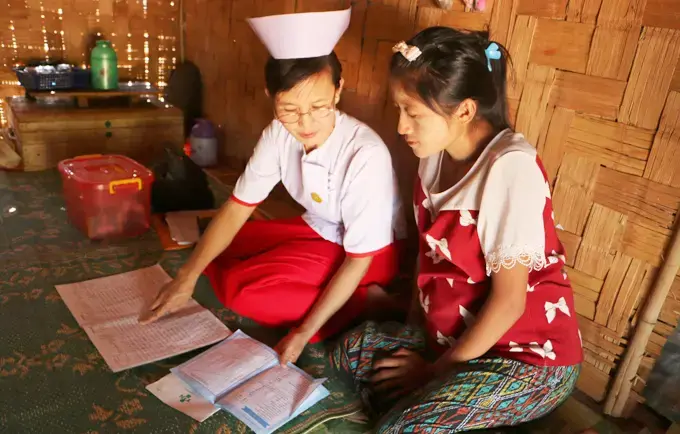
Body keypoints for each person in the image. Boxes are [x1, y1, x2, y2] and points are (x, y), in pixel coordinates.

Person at [330, 27, 583, 433]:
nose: (400, 126)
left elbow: (509, 304)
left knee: (402, 428)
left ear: (464, 111)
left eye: (412, 112)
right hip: (451, 338)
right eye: (400, 109)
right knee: (350, 352)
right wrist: (413, 334)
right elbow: (427, 259)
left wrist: (431, 373)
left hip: (525, 357)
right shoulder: (433, 158)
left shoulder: (508, 168)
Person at [143, 8, 406, 366]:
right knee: (216, 244)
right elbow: (238, 206)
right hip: (319, 228)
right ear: (271, 94)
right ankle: (319, 293)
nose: (306, 123)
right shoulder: (278, 134)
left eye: (319, 106)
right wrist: (186, 277)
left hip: (367, 255)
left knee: (242, 292)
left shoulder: (365, 153)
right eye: (289, 109)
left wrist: (302, 332)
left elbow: (359, 258)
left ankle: (369, 302)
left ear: (339, 90)